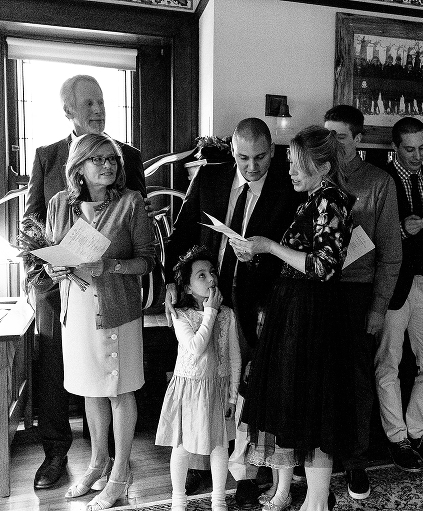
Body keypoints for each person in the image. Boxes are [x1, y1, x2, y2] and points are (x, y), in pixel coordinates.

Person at [163, 118, 301, 507]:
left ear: (272, 153)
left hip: (259, 299)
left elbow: (291, 251)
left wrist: (262, 252)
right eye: (243, 157)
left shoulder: (286, 186)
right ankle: (201, 460)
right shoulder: (209, 178)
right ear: (232, 150)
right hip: (207, 298)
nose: (252, 167)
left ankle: (246, 473)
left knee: (247, 383)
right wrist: (172, 282)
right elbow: (180, 234)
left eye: (260, 158)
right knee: (203, 378)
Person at [25, 74, 146, 491]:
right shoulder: (46, 158)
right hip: (63, 293)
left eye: (102, 102)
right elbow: (34, 226)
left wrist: (113, 268)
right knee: (71, 377)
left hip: (115, 297)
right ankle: (60, 455)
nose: (99, 110)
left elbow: (140, 239)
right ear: (69, 110)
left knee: (114, 384)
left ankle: (119, 467)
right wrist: (46, 272)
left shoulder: (126, 159)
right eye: (89, 103)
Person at [232, 126, 354, 511]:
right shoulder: (315, 198)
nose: (290, 173)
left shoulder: (331, 200)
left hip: (313, 316)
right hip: (297, 312)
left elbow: (324, 266)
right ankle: (313, 502)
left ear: (323, 167)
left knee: (315, 409)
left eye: (298, 167)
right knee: (303, 408)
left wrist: (270, 246)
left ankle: (316, 503)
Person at [44, 133, 155, 510]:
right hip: (74, 309)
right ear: (78, 167)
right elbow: (51, 251)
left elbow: (146, 260)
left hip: (117, 309)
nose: (108, 166)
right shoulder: (59, 203)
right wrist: (54, 266)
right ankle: (97, 463)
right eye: (98, 160)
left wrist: (108, 265)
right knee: (91, 388)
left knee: (120, 389)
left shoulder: (131, 202)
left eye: (112, 159)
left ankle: (121, 473)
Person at [324, 105, 402, 500]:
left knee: (356, 380)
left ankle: (356, 462)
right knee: (318, 374)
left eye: (339, 135)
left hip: (358, 293)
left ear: (357, 138)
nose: (332, 142)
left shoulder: (378, 182)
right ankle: (316, 460)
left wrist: (378, 307)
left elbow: (391, 252)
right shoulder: (313, 175)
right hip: (317, 291)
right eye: (327, 134)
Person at [376, 117, 423, 473]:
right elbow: (367, 236)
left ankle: (419, 433)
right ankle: (397, 439)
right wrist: (403, 231)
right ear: (395, 148)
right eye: (410, 149)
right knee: (388, 362)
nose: (418, 155)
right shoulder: (380, 179)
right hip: (392, 283)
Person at [156, 246, 241, 511]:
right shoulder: (181, 315)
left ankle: (219, 499)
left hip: (218, 387)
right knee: (181, 445)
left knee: (219, 445)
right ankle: (178, 499)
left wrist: (232, 394)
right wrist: (210, 312)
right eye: (201, 275)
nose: (211, 279)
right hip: (189, 388)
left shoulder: (227, 314)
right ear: (188, 287)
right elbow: (195, 347)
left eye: (212, 273)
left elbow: (234, 357)